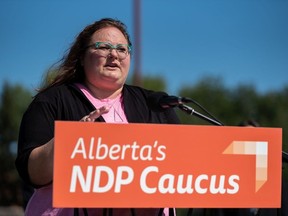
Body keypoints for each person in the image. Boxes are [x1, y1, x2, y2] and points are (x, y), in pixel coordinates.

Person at [15, 18, 180, 216]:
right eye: (103, 47)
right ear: (82, 57)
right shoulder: (52, 101)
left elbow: (181, 166)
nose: (114, 55)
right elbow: (32, 172)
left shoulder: (156, 104)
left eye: (122, 49)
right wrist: (69, 142)